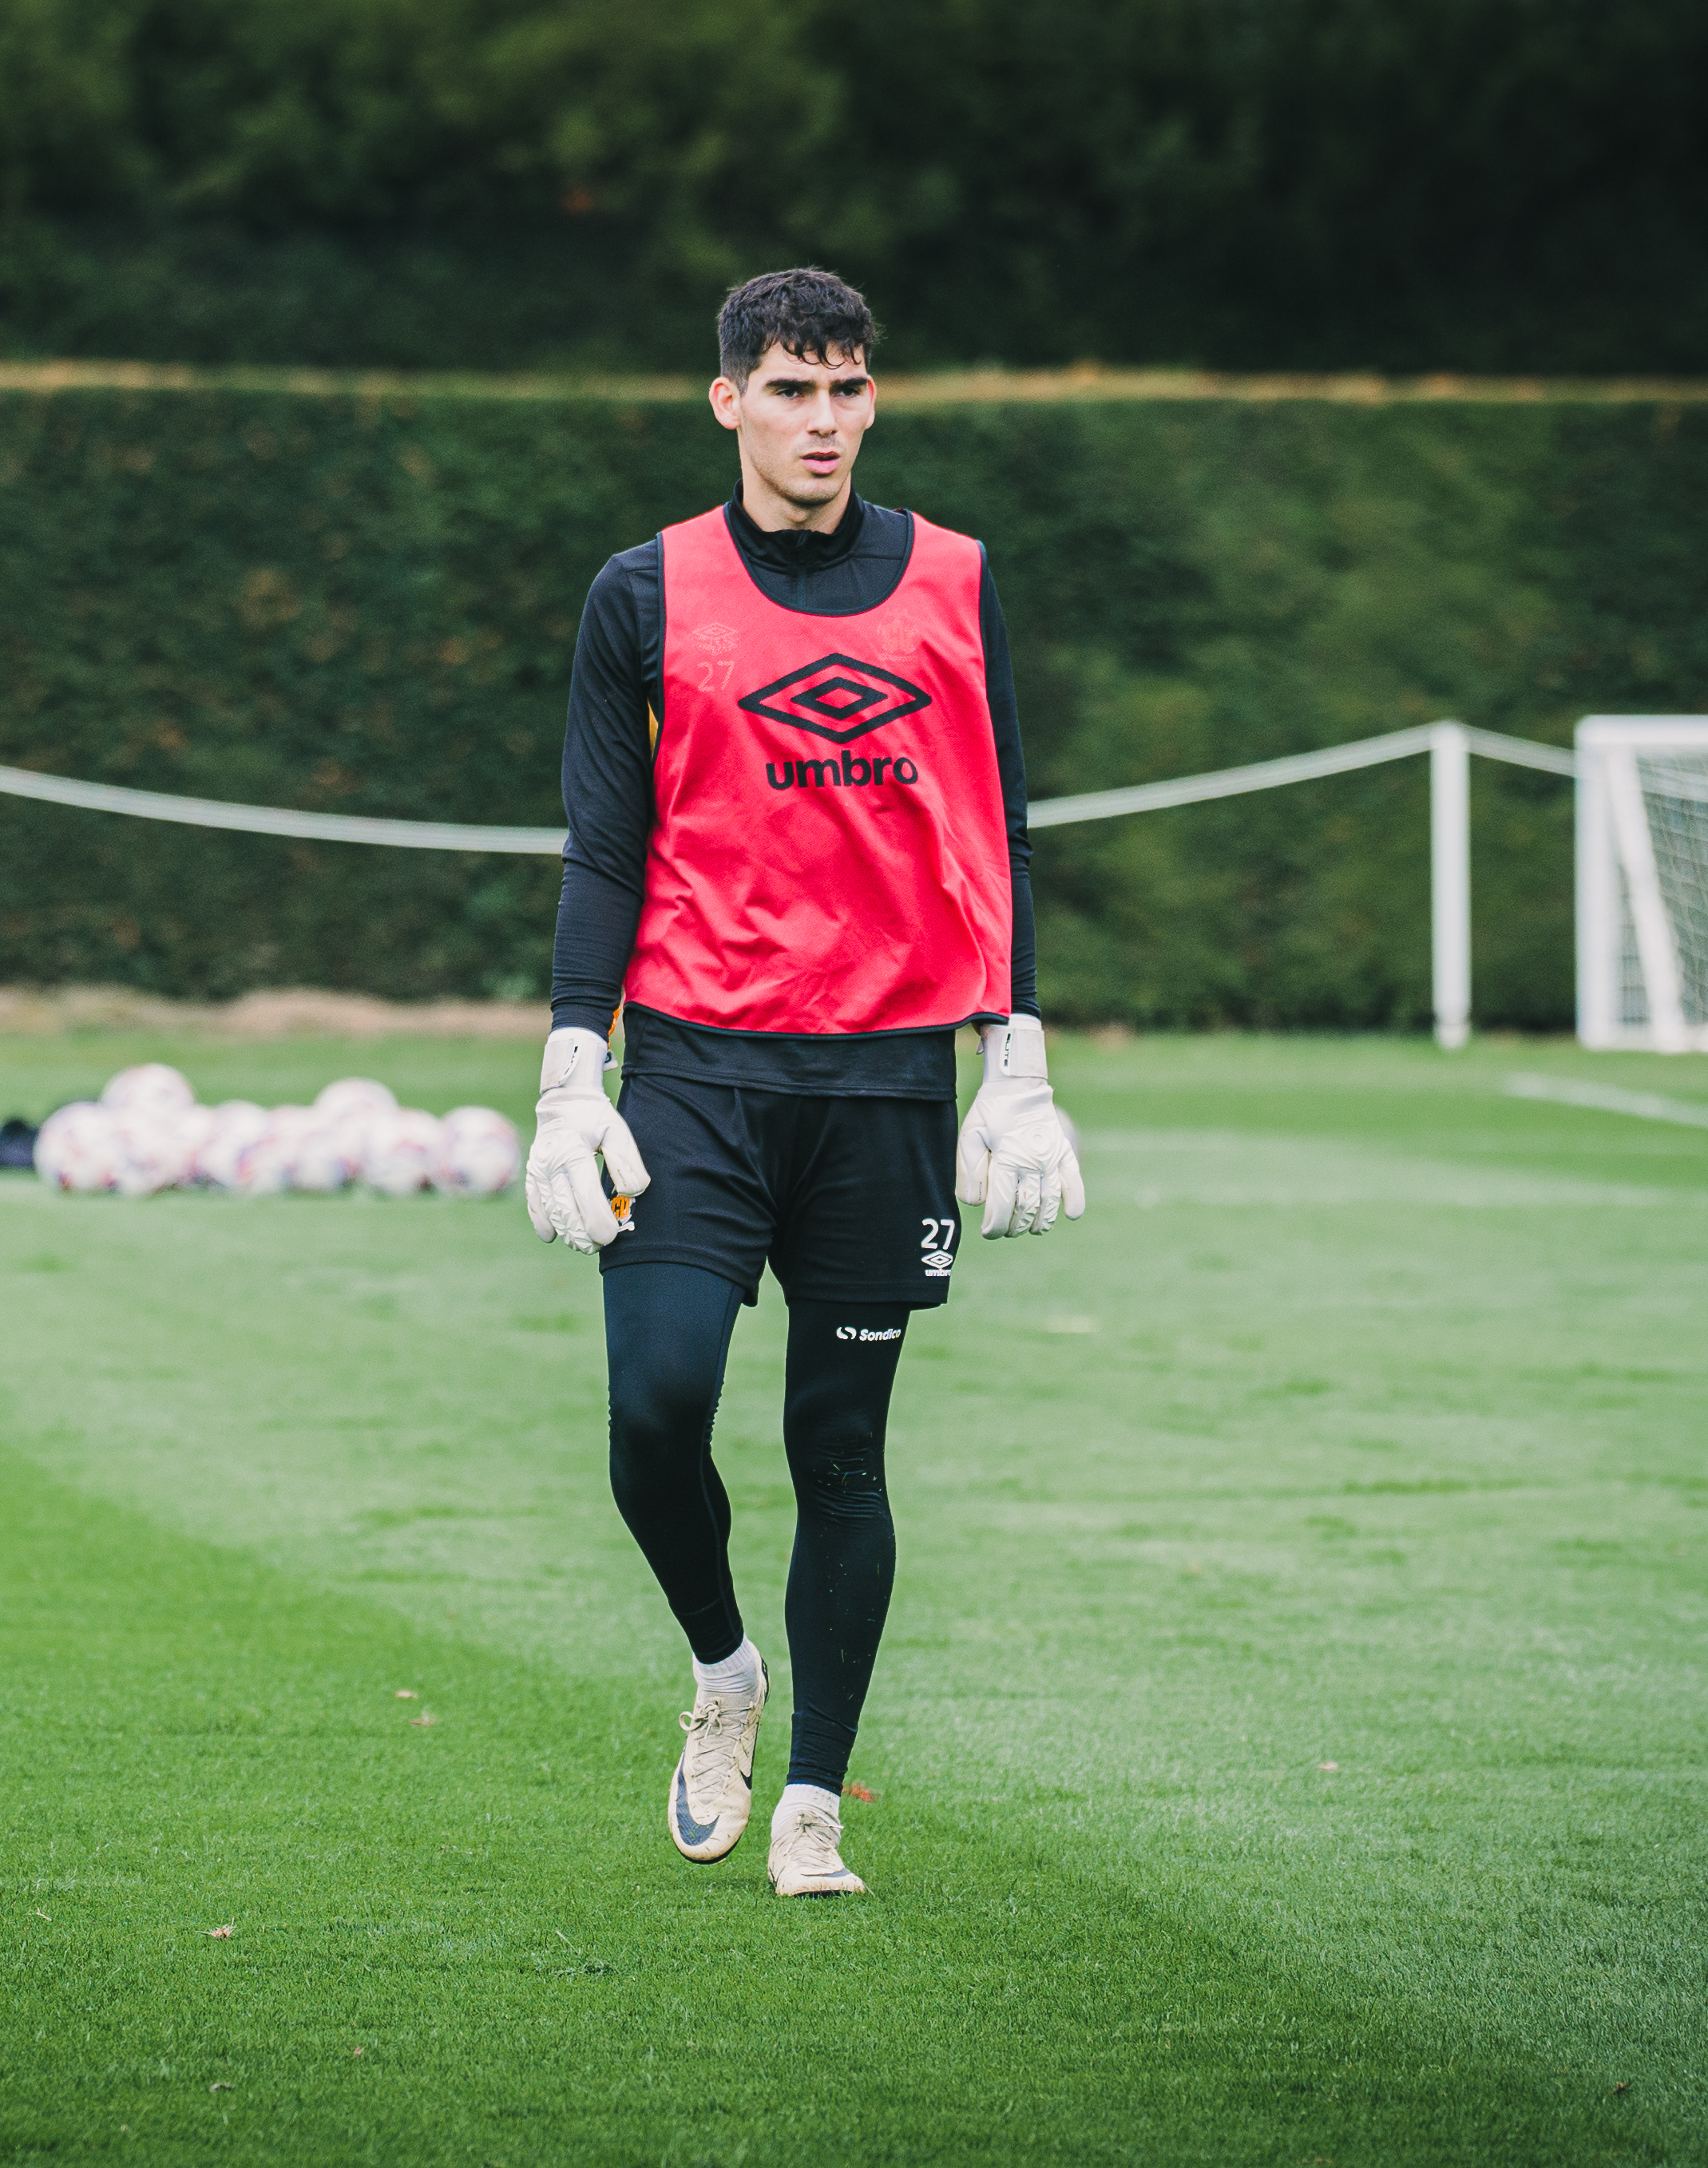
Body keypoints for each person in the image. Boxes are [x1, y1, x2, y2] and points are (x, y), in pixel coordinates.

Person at [525, 266, 1083, 1897]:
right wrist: (573, 1065)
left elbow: (998, 834)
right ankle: (720, 1671)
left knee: (840, 1449)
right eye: (788, 388)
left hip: (884, 1085)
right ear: (726, 401)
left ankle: (815, 1799)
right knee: (656, 1403)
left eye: (846, 388)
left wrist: (1017, 1056)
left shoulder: (954, 581)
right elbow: (603, 842)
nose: (821, 419)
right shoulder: (640, 592)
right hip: (691, 1064)